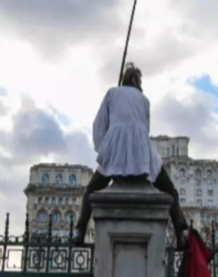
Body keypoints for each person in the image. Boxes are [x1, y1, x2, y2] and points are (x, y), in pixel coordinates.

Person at [74, 64, 188, 247]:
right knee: (170, 190)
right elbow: (144, 130)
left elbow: (98, 125)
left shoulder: (112, 93)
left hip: (115, 153)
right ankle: (182, 232)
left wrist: (104, 148)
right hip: (142, 157)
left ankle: (79, 231)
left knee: (90, 190)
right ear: (135, 80)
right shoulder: (144, 100)